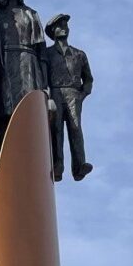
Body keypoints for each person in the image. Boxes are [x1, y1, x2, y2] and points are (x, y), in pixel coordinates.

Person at [0, 0, 49, 145]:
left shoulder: (31, 14)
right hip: (2, 65)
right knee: (4, 111)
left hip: (29, 64)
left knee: (29, 112)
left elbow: (41, 51)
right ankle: (5, 155)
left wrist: (44, 83)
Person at [43, 13, 93, 181]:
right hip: (55, 92)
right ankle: (57, 166)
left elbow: (88, 79)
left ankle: (79, 166)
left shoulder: (79, 54)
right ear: (52, 31)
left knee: (75, 127)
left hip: (73, 93)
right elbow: (43, 75)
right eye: (59, 25)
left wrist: (82, 94)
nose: (63, 28)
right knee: (56, 129)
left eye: (65, 25)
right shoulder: (47, 53)